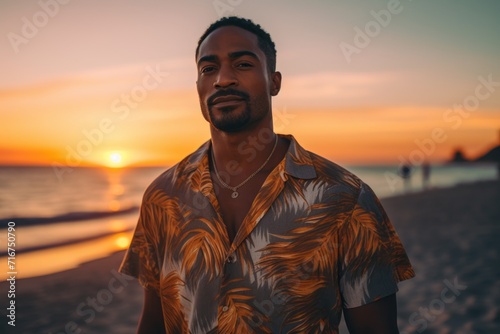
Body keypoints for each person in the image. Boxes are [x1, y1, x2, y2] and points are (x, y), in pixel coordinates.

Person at [119, 16, 414, 333]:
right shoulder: (163, 196)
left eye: (243, 64)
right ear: (198, 87)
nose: (223, 79)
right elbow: (154, 321)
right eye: (208, 69)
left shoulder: (345, 198)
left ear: (274, 82)